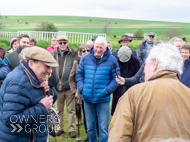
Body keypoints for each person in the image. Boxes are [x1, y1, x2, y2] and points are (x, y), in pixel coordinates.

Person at [108, 43, 190, 142]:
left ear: (155, 63)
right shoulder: (187, 93)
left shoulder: (133, 94)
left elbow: (118, 137)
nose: (144, 71)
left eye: (146, 65)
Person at [0, 46, 58, 142]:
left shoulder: (33, 76)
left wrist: (49, 91)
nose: (50, 71)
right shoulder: (18, 83)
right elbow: (11, 120)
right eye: (46, 66)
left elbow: (48, 102)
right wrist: (42, 107)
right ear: (31, 63)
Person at [76, 36, 120, 142]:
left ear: (105, 48)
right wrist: (82, 88)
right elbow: (79, 74)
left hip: (103, 100)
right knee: (90, 128)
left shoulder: (112, 60)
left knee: (103, 128)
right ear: (93, 46)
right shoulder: (85, 59)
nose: (98, 50)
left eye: (101, 47)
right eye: (96, 47)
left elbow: (116, 78)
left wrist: (107, 90)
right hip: (87, 99)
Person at [51, 35, 78, 138]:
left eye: (64, 42)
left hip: (70, 87)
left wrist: (75, 86)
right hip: (57, 87)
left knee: (71, 110)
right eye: (60, 42)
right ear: (57, 43)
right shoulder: (53, 54)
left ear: (67, 43)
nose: (62, 44)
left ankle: (72, 129)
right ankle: (60, 128)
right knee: (59, 109)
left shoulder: (73, 53)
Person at [69, 43, 91, 142]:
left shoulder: (95, 61)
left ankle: (96, 133)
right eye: (83, 51)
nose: (86, 52)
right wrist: (75, 91)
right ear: (80, 52)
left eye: (88, 50)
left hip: (94, 92)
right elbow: (71, 78)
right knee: (86, 114)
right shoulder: (76, 62)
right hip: (82, 93)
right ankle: (88, 134)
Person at [111, 46, 140, 115]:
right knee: (117, 111)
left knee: (130, 111)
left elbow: (138, 77)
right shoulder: (116, 62)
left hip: (132, 89)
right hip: (118, 89)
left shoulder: (136, 62)